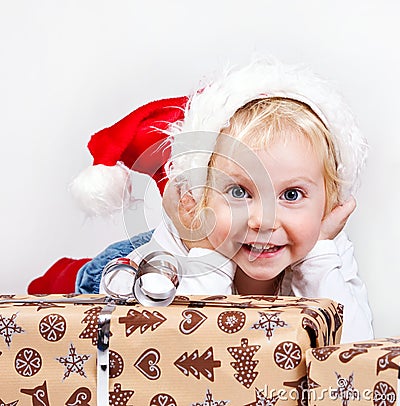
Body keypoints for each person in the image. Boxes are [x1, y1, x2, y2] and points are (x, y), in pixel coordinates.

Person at [71, 58, 373, 343]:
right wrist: (204, 251)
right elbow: (177, 356)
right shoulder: (167, 254)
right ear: (202, 194)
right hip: (115, 280)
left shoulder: (325, 246)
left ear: (329, 203)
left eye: (291, 195)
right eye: (239, 192)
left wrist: (318, 256)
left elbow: (354, 357)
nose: (263, 220)